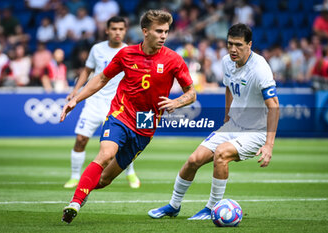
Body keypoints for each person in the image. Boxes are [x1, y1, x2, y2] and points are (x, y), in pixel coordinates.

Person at [60, 10, 196, 224]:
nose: (163, 36)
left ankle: (83, 190)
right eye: (158, 31)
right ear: (145, 32)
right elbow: (102, 78)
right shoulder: (126, 54)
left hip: (145, 126)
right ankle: (75, 202)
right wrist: (76, 99)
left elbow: (191, 93)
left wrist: (177, 102)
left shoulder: (173, 59)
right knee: (105, 155)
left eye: (166, 32)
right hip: (121, 115)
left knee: (104, 180)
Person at [148, 23, 280, 220]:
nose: (233, 49)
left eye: (238, 45)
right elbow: (228, 87)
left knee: (221, 154)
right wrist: (227, 118)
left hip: (255, 131)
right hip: (233, 125)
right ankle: (173, 206)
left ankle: (211, 209)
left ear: (249, 45)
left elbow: (274, 106)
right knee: (193, 160)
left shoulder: (260, 69)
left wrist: (269, 145)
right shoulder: (227, 61)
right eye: (230, 44)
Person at [63, 16, 140, 189]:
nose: (117, 32)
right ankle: (75, 176)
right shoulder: (97, 49)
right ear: (107, 30)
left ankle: (130, 172)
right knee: (81, 139)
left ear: (125, 30)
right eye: (114, 28)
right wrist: (76, 90)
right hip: (94, 101)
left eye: (121, 29)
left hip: (118, 104)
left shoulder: (130, 51)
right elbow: (87, 71)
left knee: (122, 144)